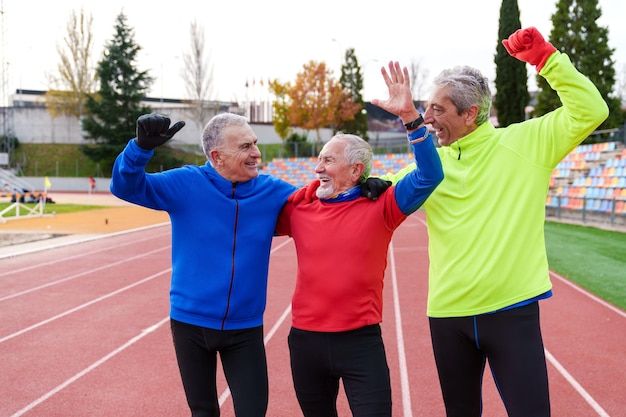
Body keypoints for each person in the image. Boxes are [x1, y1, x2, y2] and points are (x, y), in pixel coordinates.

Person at [371, 27, 609, 416]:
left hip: (511, 311)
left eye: (438, 109)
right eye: (426, 108)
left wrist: (547, 60)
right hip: (448, 316)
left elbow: (592, 110)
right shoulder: (432, 167)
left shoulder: (526, 142)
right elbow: (379, 197)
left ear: (470, 114)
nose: (427, 118)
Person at [109, 112, 390, 417]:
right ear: (217, 156)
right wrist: (139, 149)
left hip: (245, 328)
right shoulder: (186, 183)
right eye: (245, 147)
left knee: (253, 411)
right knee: (203, 411)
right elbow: (126, 186)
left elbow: (321, 200)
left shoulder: (272, 191)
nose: (257, 153)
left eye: (254, 143)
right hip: (190, 323)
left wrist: (361, 188)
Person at [275, 71, 444, 416]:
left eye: (328, 160)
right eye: (319, 158)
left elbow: (430, 176)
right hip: (305, 342)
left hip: (359, 343)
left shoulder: (382, 206)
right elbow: (245, 216)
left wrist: (411, 118)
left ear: (355, 171)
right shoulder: (299, 208)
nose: (318, 167)